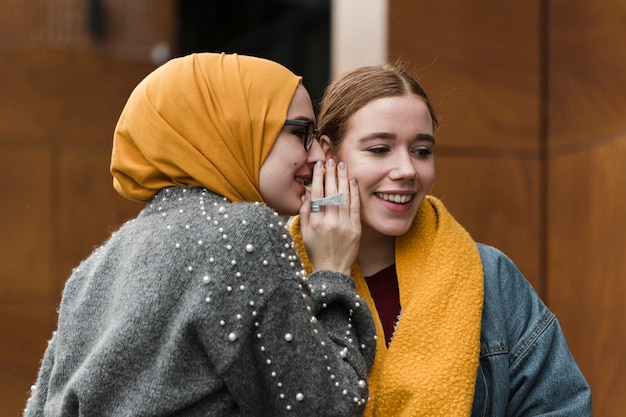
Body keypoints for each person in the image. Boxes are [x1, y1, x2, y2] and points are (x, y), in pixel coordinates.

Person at [23, 52, 376, 416]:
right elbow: (327, 405)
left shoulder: (90, 272)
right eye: (301, 133)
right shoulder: (245, 237)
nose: (319, 153)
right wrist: (332, 271)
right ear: (230, 129)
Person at [288, 63, 592, 416]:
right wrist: (330, 272)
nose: (407, 170)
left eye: (421, 151)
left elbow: (562, 407)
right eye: (379, 149)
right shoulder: (277, 275)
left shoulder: (489, 275)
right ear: (327, 153)